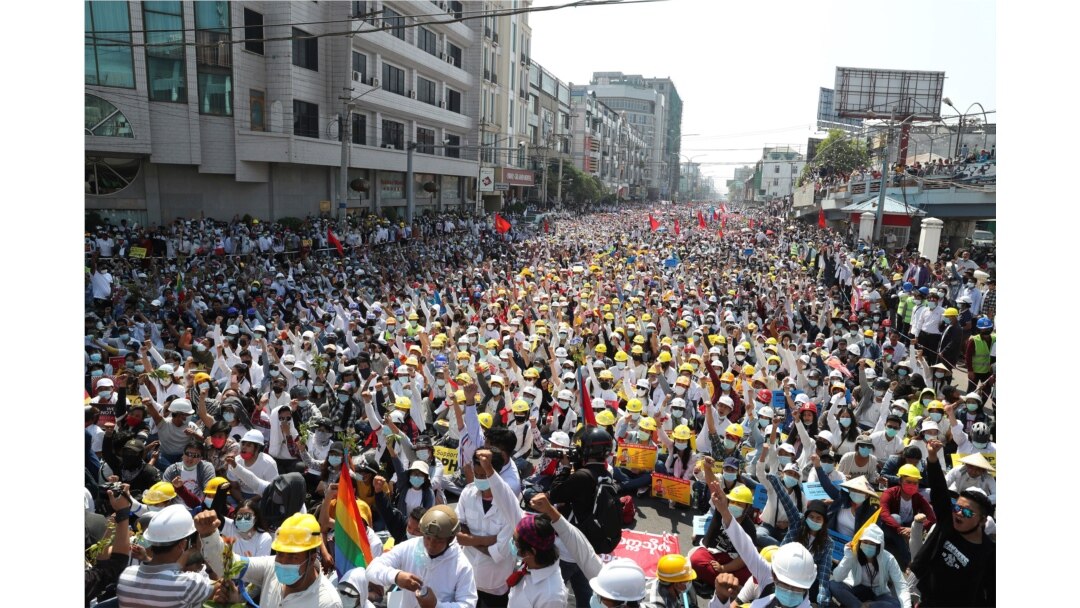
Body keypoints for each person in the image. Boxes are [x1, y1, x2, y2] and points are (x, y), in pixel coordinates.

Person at [910, 439, 995, 607]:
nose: (958, 514)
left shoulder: (989, 553)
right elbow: (939, 491)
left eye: (967, 512)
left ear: (982, 519)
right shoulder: (947, 524)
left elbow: (991, 593)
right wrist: (932, 458)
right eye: (957, 507)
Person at [209, 512, 343, 608]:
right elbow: (230, 565)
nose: (283, 562)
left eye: (293, 556)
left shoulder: (328, 603)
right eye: (280, 554)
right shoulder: (270, 565)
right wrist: (208, 536)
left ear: (312, 558)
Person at [366, 505, 477, 608]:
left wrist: (436, 605)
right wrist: (396, 576)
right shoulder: (409, 547)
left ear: (450, 539)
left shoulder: (462, 566)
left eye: (438, 541)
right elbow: (371, 569)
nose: (431, 545)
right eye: (427, 538)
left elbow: (468, 604)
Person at [116, 505, 224, 607]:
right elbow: (226, 588)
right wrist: (209, 539)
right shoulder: (189, 584)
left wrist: (147, 559)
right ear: (183, 544)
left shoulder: (126, 574)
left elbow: (161, 573)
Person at [828, 524, 911, 608]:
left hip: (878, 594)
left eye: (872, 543)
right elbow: (837, 577)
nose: (868, 545)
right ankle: (860, 606)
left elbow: (901, 585)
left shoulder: (888, 558)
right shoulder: (854, 554)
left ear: (879, 545)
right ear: (860, 542)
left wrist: (907, 606)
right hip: (856, 589)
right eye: (865, 542)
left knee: (895, 604)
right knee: (833, 584)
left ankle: (865, 605)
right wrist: (847, 557)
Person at [878, 463, 936, 570]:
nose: (912, 485)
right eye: (908, 482)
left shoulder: (918, 497)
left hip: (907, 531)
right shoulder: (889, 493)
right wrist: (899, 529)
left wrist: (914, 529)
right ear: (900, 481)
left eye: (915, 483)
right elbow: (884, 513)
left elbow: (931, 517)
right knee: (895, 517)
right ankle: (909, 561)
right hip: (890, 530)